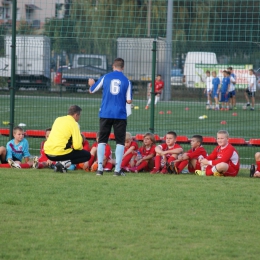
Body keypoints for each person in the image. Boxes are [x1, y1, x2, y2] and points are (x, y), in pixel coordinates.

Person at [88, 58, 132, 176]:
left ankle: (100, 169)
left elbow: (92, 90)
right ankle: (117, 170)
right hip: (120, 114)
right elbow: (129, 100)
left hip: (105, 113)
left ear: (113, 66)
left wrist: (91, 84)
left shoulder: (105, 77)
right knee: (120, 142)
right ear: (123, 67)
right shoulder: (127, 81)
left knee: (102, 140)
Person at [44, 105, 91, 173]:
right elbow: (77, 146)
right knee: (87, 155)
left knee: (65, 150)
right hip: (60, 153)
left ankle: (59, 164)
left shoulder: (58, 119)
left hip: (48, 152)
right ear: (76, 115)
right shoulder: (74, 124)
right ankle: (64, 163)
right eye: (79, 116)